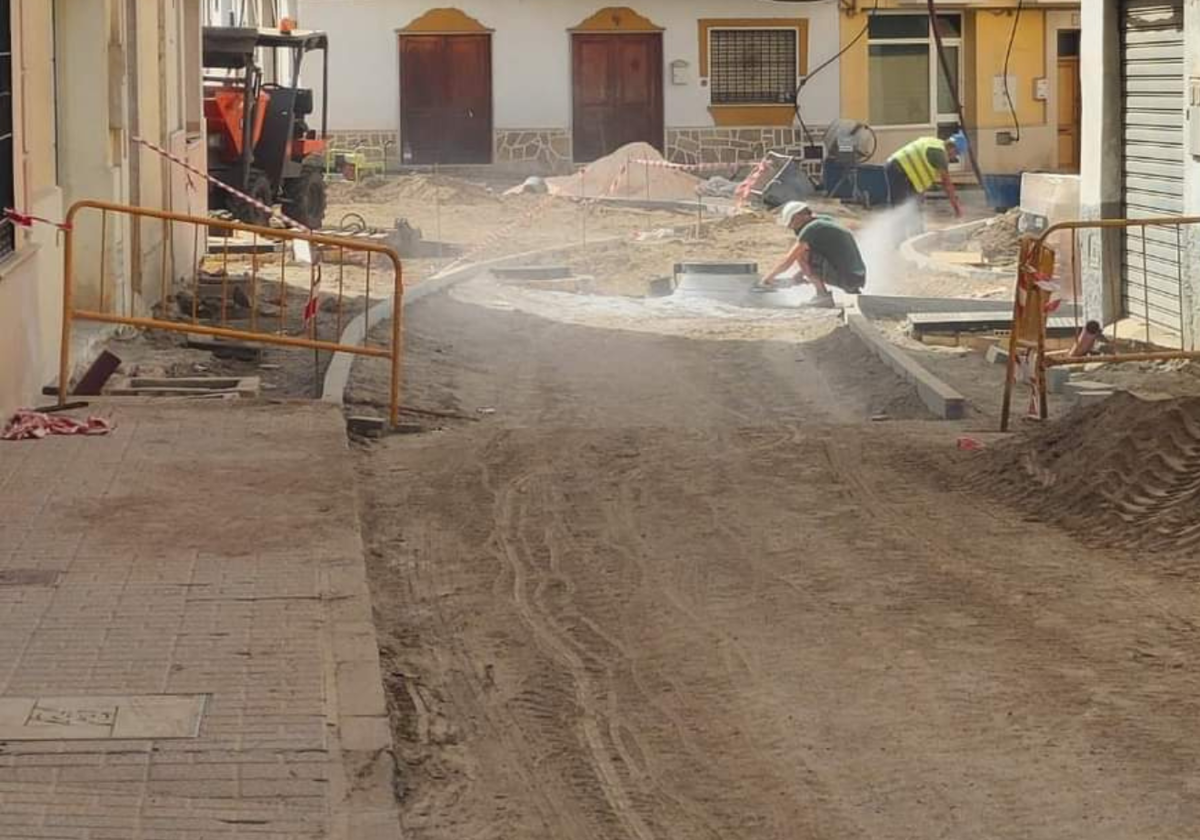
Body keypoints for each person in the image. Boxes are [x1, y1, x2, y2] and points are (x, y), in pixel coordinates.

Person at [760, 202, 866, 309]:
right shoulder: (824, 221)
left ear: (798, 217)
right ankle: (851, 291)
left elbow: (788, 260)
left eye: (792, 224)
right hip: (856, 278)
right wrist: (801, 273)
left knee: (800, 254)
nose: (793, 229)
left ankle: (822, 296)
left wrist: (767, 279)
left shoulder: (812, 229)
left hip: (846, 278)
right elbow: (831, 253)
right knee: (807, 251)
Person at [885, 132, 965, 218]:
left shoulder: (936, 144)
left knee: (914, 208)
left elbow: (921, 170)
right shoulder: (940, 155)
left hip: (902, 171)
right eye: (956, 154)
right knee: (900, 206)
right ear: (953, 148)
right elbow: (947, 185)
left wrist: (920, 195)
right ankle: (896, 230)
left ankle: (916, 230)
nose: (953, 158)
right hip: (899, 169)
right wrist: (957, 209)